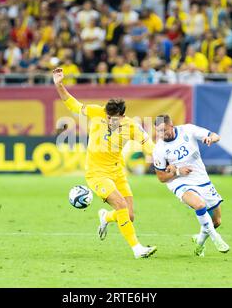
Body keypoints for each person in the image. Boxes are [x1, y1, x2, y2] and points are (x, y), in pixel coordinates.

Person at [52, 67, 157, 259]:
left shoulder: (131, 126)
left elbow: (147, 144)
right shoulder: (96, 112)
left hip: (118, 173)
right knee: (121, 206)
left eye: (113, 119)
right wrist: (59, 85)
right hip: (96, 174)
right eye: (107, 117)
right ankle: (137, 249)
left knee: (129, 216)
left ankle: (106, 216)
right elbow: (73, 105)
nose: (109, 121)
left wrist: (157, 158)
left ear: (123, 116)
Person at [152, 115, 230, 257]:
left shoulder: (188, 130)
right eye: (158, 131)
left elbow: (215, 135)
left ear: (171, 125)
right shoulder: (159, 149)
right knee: (200, 205)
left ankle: (200, 243)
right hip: (179, 182)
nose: (161, 134)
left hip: (200, 178)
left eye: (164, 130)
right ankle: (216, 238)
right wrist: (177, 171)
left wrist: (211, 139)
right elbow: (161, 177)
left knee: (216, 221)